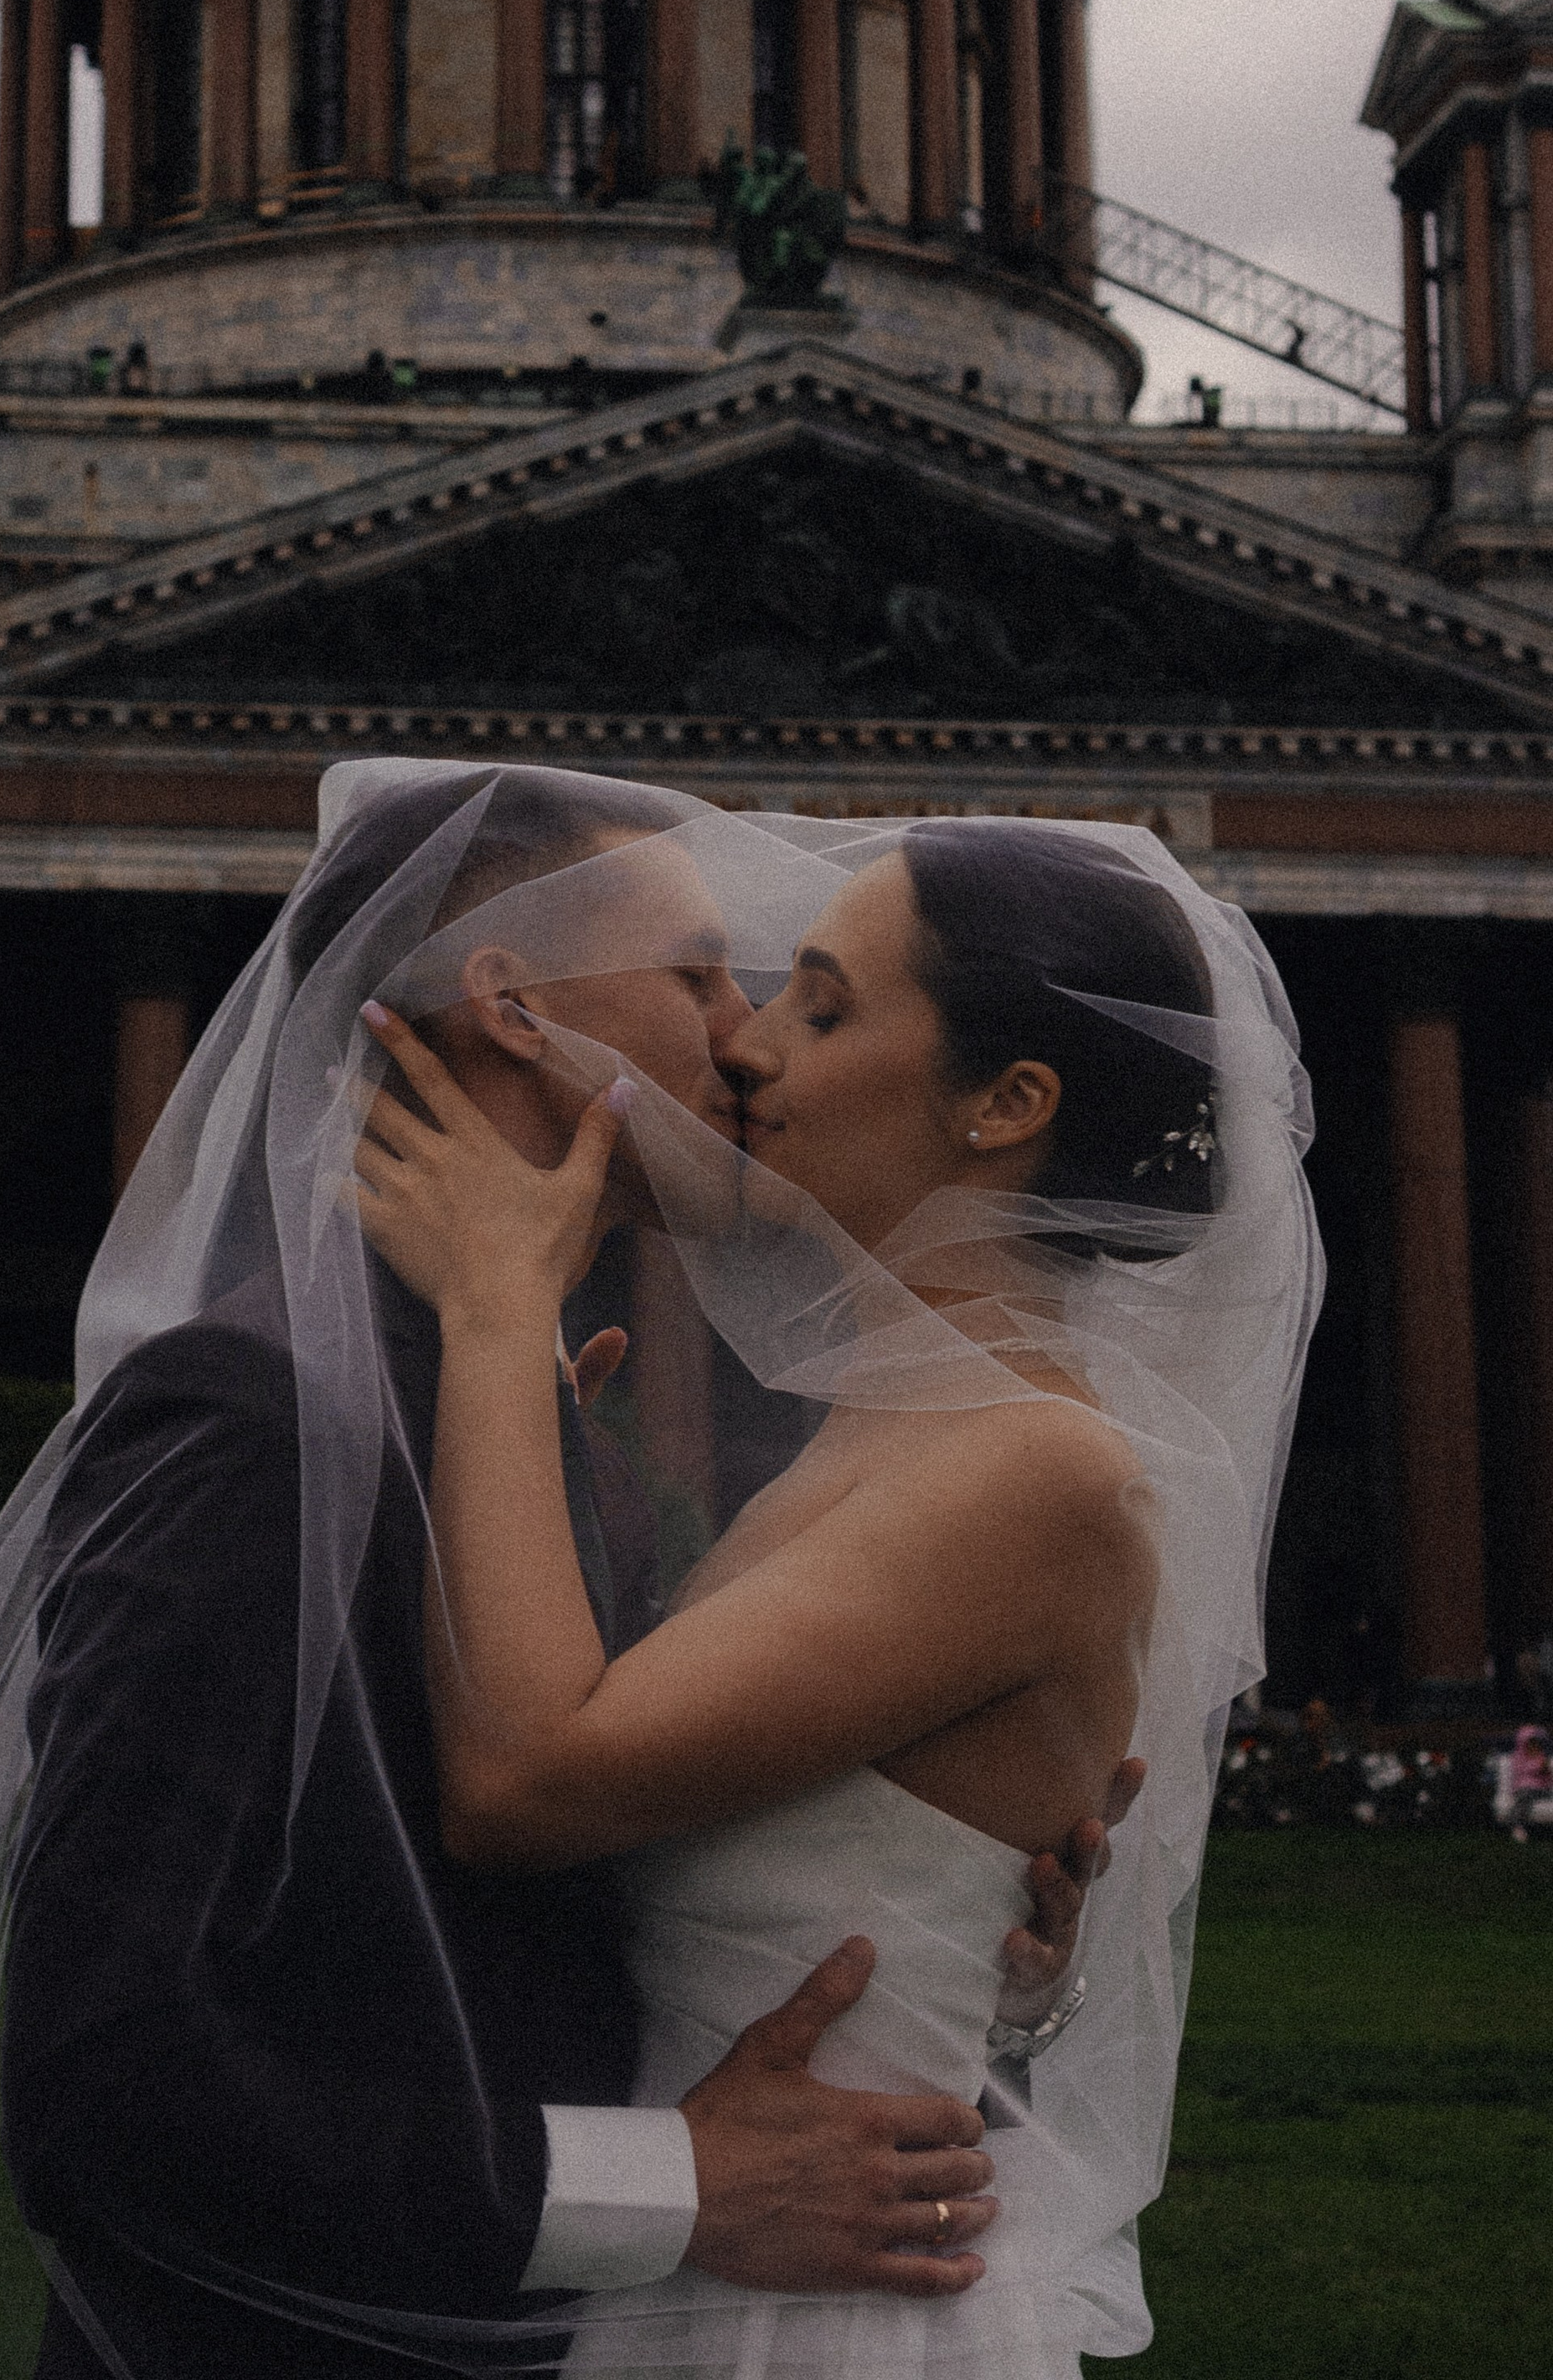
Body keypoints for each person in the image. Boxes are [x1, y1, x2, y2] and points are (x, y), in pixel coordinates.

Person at [0, 770, 1135, 2380]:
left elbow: (571, 1923)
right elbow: (106, 2084)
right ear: (512, 1006)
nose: (742, 1038)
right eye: (697, 976)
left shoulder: (522, 1417)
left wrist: (954, 1904)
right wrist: (666, 2186)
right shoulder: (258, 1421)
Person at [353, 812, 1318, 2372]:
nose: (744, 1047)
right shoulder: (886, 1434)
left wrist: (496, 1306)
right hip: (720, 2265)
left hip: (827, 2321)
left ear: (1006, 1105)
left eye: (822, 1006)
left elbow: (526, 1779)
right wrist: (1009, 1971)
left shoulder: (1036, 1471)